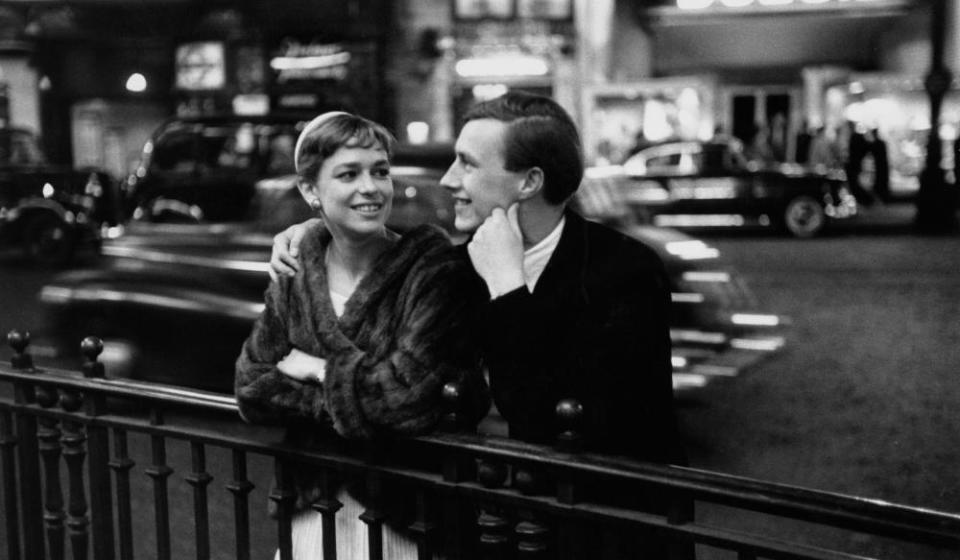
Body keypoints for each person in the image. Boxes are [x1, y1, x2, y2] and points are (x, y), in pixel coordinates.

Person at [271, 93, 691, 556]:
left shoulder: (624, 271)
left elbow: (552, 418)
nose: (450, 180)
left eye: (467, 165)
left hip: (602, 539)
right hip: (484, 534)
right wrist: (311, 233)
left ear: (529, 181)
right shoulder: (452, 268)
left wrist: (508, 287)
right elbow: (396, 377)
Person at [235, 111, 487, 560]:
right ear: (310, 190)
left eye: (380, 172)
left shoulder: (430, 270)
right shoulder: (296, 270)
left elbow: (406, 397)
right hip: (313, 513)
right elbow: (252, 386)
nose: (370, 188)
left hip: (406, 517)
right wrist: (357, 396)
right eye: (348, 174)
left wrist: (317, 369)